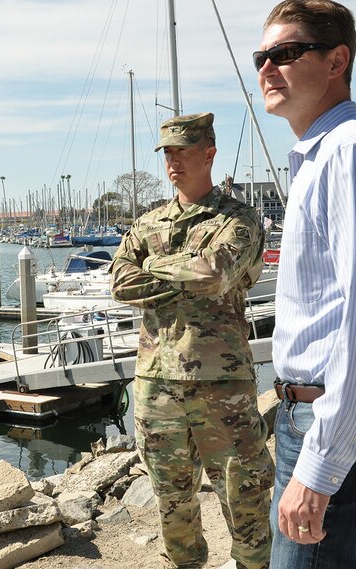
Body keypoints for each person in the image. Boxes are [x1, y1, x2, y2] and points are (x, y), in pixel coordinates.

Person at [109, 112, 274, 569]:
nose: (173, 161)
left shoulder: (239, 220)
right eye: (167, 153)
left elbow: (215, 272)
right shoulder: (148, 223)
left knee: (244, 494)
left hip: (222, 386)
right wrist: (186, 269)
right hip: (156, 382)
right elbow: (120, 283)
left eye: (183, 151)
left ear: (209, 153)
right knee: (170, 497)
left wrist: (155, 268)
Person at [255, 1, 356, 567]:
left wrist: (321, 467)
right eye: (262, 56)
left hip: (331, 428)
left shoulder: (351, 153)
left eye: (285, 53)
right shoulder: (316, 157)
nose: (267, 68)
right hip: (302, 419)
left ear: (337, 61)